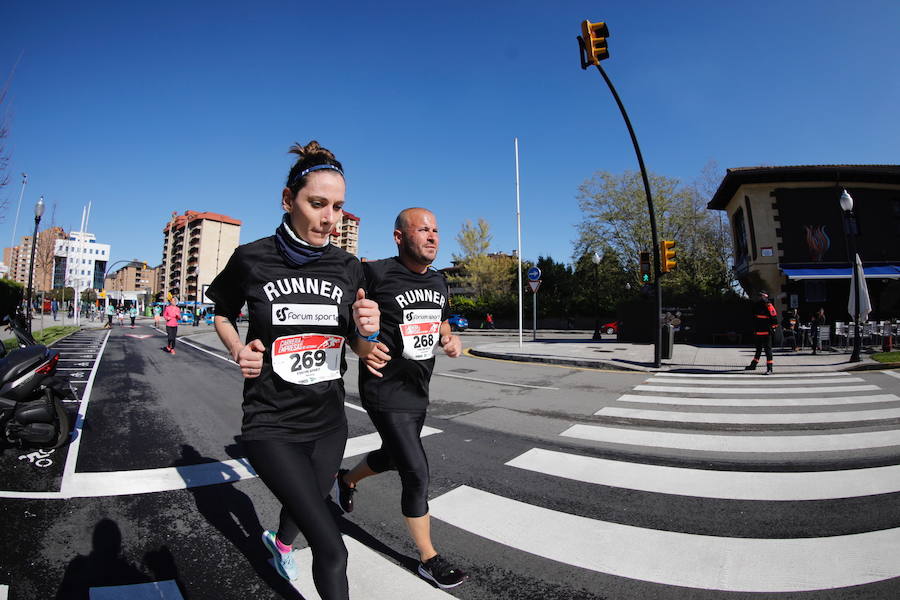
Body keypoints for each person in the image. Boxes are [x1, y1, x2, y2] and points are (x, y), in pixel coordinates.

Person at [207, 140, 380, 599]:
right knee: (333, 550)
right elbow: (221, 311)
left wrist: (369, 333)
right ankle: (291, 546)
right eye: (317, 203)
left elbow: (360, 348)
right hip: (271, 422)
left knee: (310, 503)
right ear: (288, 200)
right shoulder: (252, 258)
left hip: (328, 423)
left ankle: (280, 541)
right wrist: (236, 349)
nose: (329, 219)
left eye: (339, 207)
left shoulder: (348, 267)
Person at [335, 207, 468, 590]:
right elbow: (347, 316)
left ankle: (347, 480)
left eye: (436, 230)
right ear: (399, 237)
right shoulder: (375, 273)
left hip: (417, 390)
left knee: (393, 456)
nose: (432, 236)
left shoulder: (440, 281)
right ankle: (429, 559)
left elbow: (440, 320)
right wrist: (360, 346)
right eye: (422, 229)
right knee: (417, 471)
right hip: (383, 389)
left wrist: (449, 337)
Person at [746, 290, 778, 374]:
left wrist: (773, 328)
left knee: (768, 350)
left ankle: (769, 369)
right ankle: (753, 365)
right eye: (759, 296)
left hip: (766, 331)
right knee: (758, 349)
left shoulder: (768, 305)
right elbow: (753, 317)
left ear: (765, 296)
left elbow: (774, 317)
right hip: (758, 331)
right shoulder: (756, 305)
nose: (760, 297)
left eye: (761, 296)